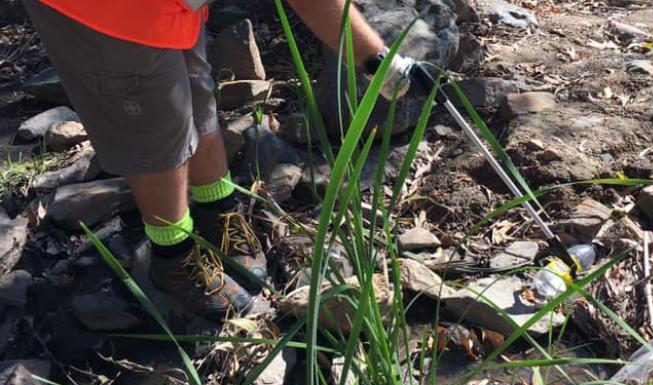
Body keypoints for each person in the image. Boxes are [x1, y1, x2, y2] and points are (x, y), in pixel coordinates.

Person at [21, 0, 413, 320]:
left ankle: (217, 207)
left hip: (165, 8)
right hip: (107, 10)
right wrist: (381, 63)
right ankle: (172, 255)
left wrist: (386, 63)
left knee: (194, 85)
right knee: (152, 115)